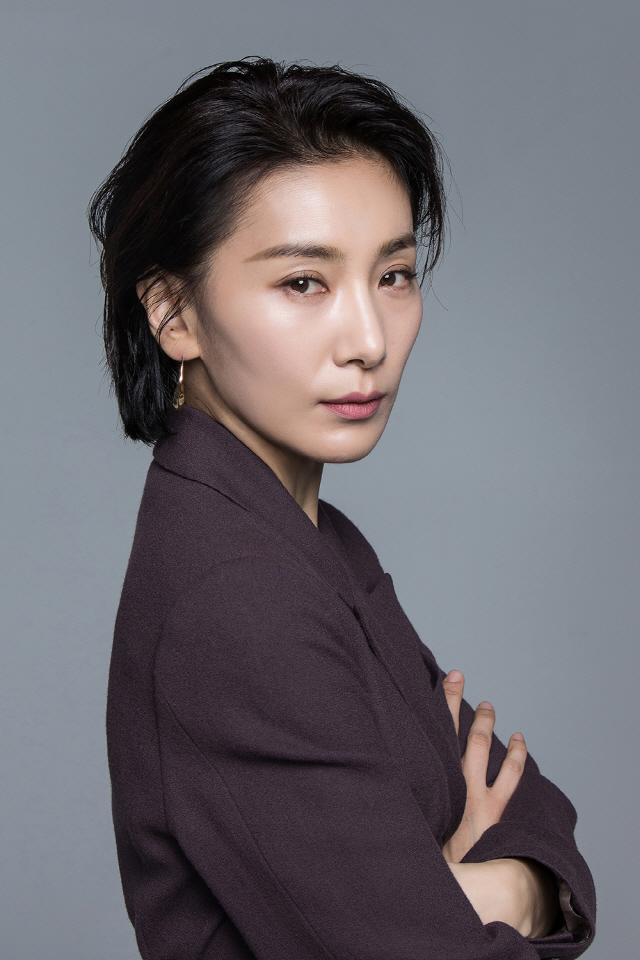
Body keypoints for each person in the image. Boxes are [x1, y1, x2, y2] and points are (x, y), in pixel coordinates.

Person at [90, 58, 596, 959]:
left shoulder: (307, 537)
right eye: (303, 282)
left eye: (394, 274)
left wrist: (508, 886)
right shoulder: (236, 597)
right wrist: (490, 891)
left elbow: (541, 817)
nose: (369, 340)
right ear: (173, 313)